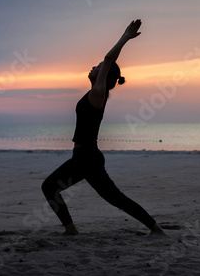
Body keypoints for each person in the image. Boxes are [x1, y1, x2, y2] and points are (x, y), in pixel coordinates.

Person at [41, 19, 165, 236]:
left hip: (86, 157)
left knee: (50, 187)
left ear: (104, 75)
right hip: (87, 157)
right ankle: (155, 228)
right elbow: (106, 63)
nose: (94, 67)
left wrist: (125, 37)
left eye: (97, 67)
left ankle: (70, 229)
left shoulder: (98, 94)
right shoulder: (94, 95)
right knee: (115, 198)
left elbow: (109, 59)